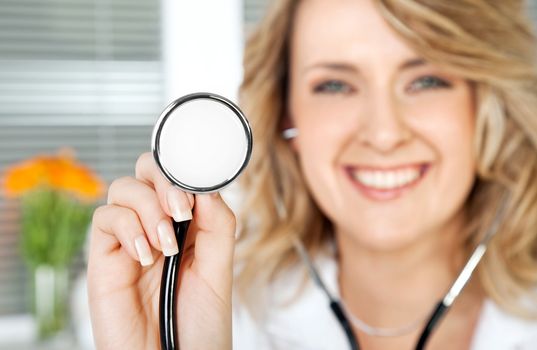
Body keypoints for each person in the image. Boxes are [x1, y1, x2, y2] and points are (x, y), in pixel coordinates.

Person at [87, 0, 537, 349]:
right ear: (286, 117)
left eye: (426, 81)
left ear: (485, 106)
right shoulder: (216, 310)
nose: (383, 134)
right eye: (335, 85)